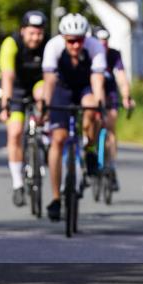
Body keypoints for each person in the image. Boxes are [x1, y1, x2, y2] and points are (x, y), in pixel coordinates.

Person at [40, 13, 106, 222]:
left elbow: (97, 80)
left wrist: (100, 105)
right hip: (62, 88)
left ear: (85, 38)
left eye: (79, 40)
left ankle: (89, 149)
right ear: (63, 38)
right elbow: (49, 80)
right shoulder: (53, 46)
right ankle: (56, 198)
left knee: (92, 107)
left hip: (84, 87)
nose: (75, 45)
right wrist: (45, 105)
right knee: (58, 140)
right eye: (71, 41)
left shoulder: (94, 46)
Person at [0, 10, 49, 207]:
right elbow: (7, 76)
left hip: (38, 84)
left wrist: (48, 107)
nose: (36, 38)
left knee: (42, 95)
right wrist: (5, 105)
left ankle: (44, 134)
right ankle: (18, 183)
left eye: (39, 33)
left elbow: (51, 76)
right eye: (31, 33)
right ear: (22, 31)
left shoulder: (47, 45)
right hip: (17, 88)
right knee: (15, 132)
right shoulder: (11, 44)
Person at [94, 27, 135, 190]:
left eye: (106, 41)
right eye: (100, 41)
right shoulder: (90, 53)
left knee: (111, 127)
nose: (103, 44)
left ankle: (111, 166)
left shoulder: (114, 55)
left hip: (110, 93)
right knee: (94, 123)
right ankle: (91, 153)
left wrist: (126, 96)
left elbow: (122, 77)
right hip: (93, 92)